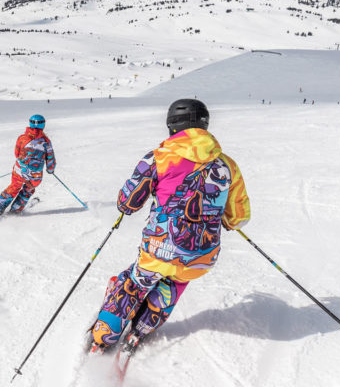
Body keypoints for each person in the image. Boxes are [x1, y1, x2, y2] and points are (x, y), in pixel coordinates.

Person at [88, 99, 251, 353]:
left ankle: (104, 335)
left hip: (159, 247)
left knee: (134, 283)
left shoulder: (159, 158)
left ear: (173, 126)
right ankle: (141, 329)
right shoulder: (227, 165)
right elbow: (238, 217)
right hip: (201, 255)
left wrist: (124, 207)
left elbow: (129, 201)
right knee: (174, 283)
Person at [0, 115, 56, 216]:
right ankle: (15, 210)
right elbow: (50, 159)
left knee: (14, 186)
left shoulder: (22, 138)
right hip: (35, 175)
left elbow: (17, 153)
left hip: (19, 170)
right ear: (43, 125)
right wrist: (50, 169)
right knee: (28, 189)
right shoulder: (46, 142)